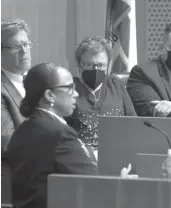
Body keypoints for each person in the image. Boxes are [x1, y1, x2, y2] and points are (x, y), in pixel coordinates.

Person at [7, 63, 136, 208]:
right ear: (50, 96)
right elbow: (95, 187)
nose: (76, 94)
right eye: (69, 88)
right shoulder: (61, 135)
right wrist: (121, 183)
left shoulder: (22, 130)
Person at [65, 36, 136, 150]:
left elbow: (133, 123)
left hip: (116, 151)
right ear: (79, 67)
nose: (96, 69)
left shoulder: (116, 85)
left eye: (101, 65)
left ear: (108, 67)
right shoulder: (69, 89)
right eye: (89, 65)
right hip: (81, 156)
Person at [1, 18, 32, 154]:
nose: (24, 51)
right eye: (16, 46)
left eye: (26, 44)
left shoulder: (38, 80)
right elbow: (6, 142)